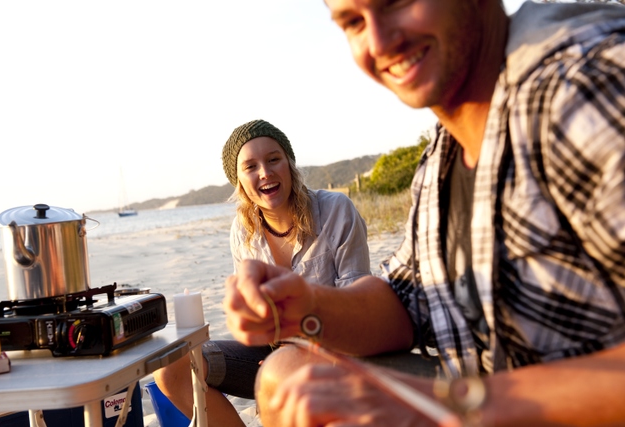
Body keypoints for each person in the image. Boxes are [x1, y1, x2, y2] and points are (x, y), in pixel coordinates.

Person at [223, 1, 625, 426]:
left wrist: (452, 403)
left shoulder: (584, 90)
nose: (379, 42)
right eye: (354, 22)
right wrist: (304, 306)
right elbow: (409, 301)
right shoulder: (443, 155)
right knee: (285, 375)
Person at [153, 119, 373, 426]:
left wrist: (291, 354)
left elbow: (358, 306)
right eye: (251, 166)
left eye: (273, 160)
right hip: (273, 352)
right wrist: (266, 337)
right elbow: (255, 315)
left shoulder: (337, 210)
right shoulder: (242, 232)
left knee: (286, 374)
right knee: (172, 370)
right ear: (240, 180)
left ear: (289, 164)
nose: (265, 173)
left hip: (338, 354)